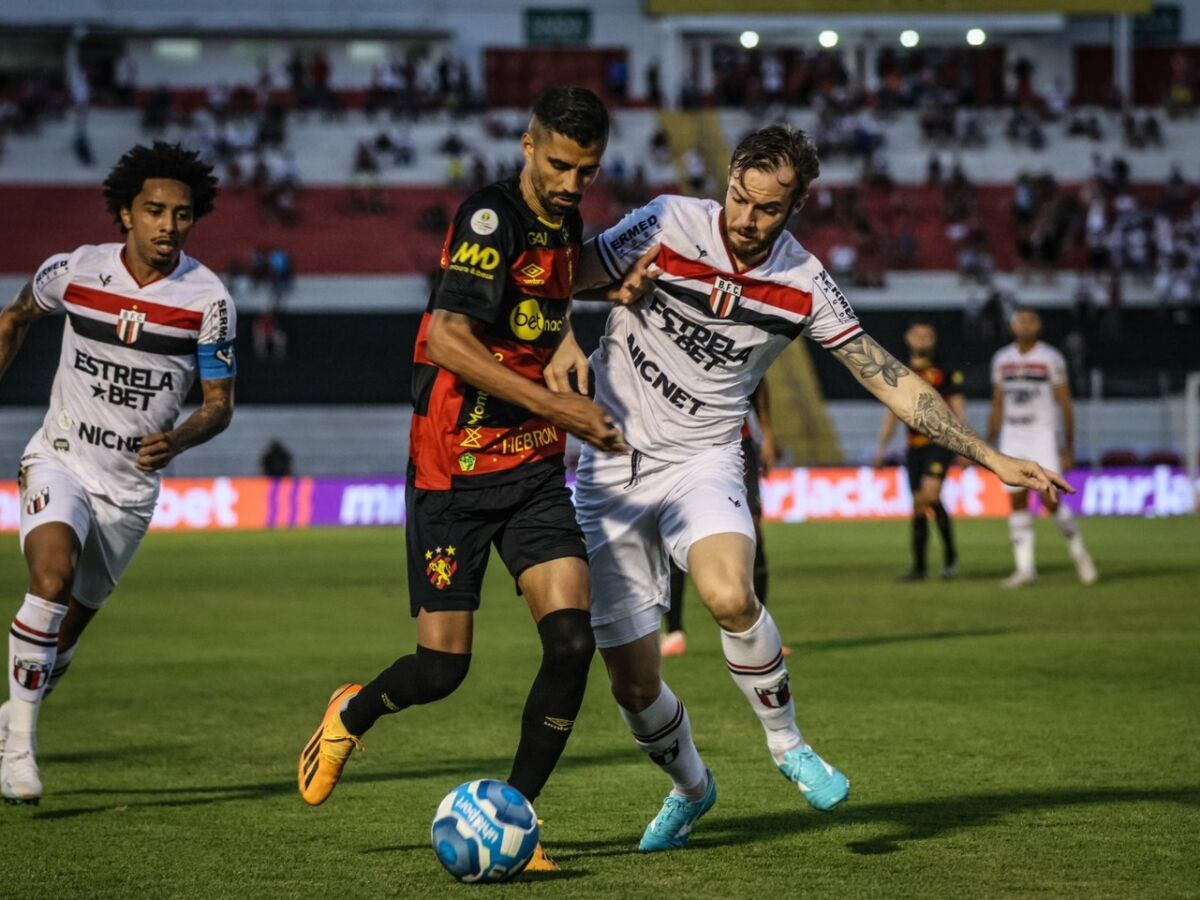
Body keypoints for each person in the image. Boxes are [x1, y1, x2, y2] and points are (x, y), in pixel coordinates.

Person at [556, 124, 1070, 851]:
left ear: (795, 207)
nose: (744, 218)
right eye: (738, 196)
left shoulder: (802, 282)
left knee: (731, 594)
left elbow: (882, 372)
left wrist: (987, 456)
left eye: (766, 209)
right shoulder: (667, 219)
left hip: (704, 459)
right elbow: (559, 276)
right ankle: (692, 788)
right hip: (607, 471)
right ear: (728, 178)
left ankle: (787, 743)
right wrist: (586, 309)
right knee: (634, 688)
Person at [296, 87, 639, 871]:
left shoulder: (564, 221)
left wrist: (588, 302)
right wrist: (561, 400)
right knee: (443, 669)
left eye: (586, 171)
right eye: (558, 165)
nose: (571, 184)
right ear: (527, 145)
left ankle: (516, 819)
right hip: (454, 470)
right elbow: (451, 339)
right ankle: (351, 712)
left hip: (532, 467)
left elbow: (538, 300)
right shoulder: (489, 220)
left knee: (571, 639)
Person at [0, 142, 236, 804]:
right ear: (124, 214)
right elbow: (17, 316)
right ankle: (19, 749)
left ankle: (9, 721)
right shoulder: (77, 271)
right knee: (49, 578)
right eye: (155, 211)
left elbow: (219, 407)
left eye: (182, 214)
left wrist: (180, 438)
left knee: (62, 640)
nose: (168, 225)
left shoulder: (208, 300)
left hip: (128, 492)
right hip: (61, 457)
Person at [661, 380, 777, 657]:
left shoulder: (738, 340)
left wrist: (769, 435)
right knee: (675, 529)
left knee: (754, 532)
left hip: (737, 442)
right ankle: (674, 630)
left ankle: (758, 629)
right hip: (685, 445)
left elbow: (760, 384)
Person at [987, 308, 1097, 588]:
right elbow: (998, 403)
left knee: (1051, 501)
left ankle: (1079, 553)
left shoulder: (1050, 358)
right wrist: (988, 445)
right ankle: (1025, 568)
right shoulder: (1002, 359)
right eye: (1020, 320)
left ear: (1039, 326)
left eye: (1031, 320)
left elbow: (1065, 403)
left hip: (1042, 437)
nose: (1025, 325)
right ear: (1012, 326)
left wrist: (1068, 446)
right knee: (1016, 500)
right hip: (1012, 437)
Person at [872, 321, 965, 581]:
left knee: (929, 495)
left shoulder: (945, 372)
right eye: (917, 334)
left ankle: (949, 560)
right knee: (918, 505)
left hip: (941, 444)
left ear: (934, 340)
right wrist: (882, 448)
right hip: (914, 449)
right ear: (908, 338)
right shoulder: (900, 372)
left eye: (927, 335)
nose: (922, 339)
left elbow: (958, 409)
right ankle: (921, 567)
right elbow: (892, 414)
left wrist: (966, 446)